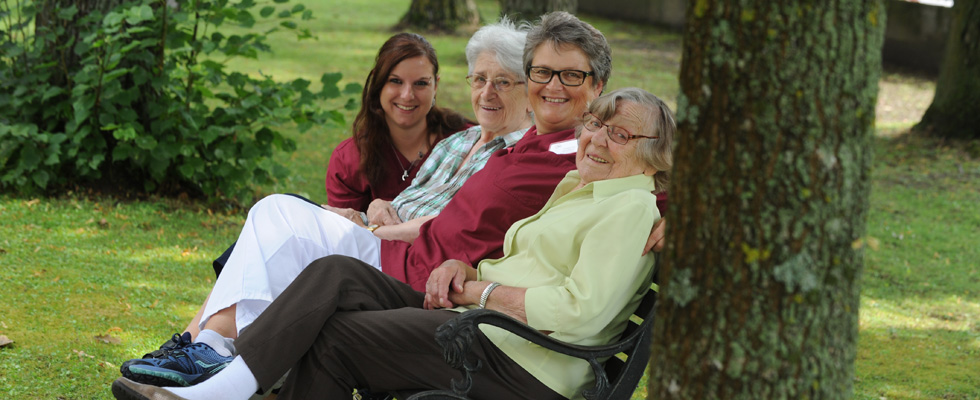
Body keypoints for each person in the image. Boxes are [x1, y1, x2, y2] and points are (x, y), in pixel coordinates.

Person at [110, 86, 676, 400]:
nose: (598, 138)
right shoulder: (582, 187)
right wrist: (463, 267)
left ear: (654, 153)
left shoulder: (630, 208)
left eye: (620, 133)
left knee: (334, 338)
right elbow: (527, 261)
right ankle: (228, 383)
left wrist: (476, 289)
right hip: (482, 324)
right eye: (595, 125)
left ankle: (224, 390)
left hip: (522, 360)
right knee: (335, 273)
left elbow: (578, 313)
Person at [118, 20, 536, 387]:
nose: (487, 92)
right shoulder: (460, 139)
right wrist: (374, 207)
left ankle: (207, 347)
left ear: (527, 88)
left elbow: (447, 221)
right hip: (379, 237)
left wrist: (373, 227)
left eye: (502, 81)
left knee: (275, 215)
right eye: (479, 79)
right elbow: (415, 200)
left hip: (400, 257)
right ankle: (203, 346)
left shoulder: (514, 155)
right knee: (273, 224)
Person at [325, 32, 470, 212]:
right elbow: (346, 237)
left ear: (435, 86)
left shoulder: (469, 142)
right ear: (379, 83)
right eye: (395, 81)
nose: (407, 95)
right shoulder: (349, 161)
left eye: (421, 83)